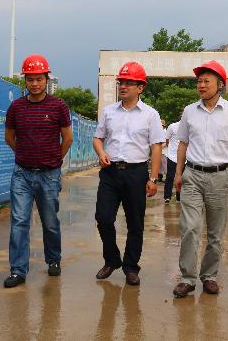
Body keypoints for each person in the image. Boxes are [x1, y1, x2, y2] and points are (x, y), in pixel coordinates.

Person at [172, 60, 228, 298]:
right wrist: (178, 173)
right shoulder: (189, 111)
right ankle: (187, 278)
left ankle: (209, 276)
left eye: (207, 81)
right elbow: (182, 144)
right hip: (192, 175)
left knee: (216, 232)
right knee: (190, 228)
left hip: (219, 176)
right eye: (199, 81)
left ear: (220, 85)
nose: (201, 85)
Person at [3, 54, 73, 288]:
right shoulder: (16, 107)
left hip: (49, 174)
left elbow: (68, 138)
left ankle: (53, 259)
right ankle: (18, 270)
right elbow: (9, 137)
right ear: (25, 80)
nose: (34, 83)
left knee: (50, 221)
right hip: (22, 174)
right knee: (19, 222)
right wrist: (24, 154)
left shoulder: (58, 106)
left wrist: (54, 159)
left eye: (39, 79)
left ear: (46, 80)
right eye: (30, 79)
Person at [92, 61, 164, 286]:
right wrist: (101, 152)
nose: (123, 86)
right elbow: (98, 138)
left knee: (135, 223)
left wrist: (153, 179)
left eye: (129, 83)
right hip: (110, 172)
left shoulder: (150, 115)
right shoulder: (109, 112)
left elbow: (156, 147)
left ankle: (131, 267)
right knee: (103, 218)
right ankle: (112, 259)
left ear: (140, 87)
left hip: (136, 173)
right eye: (121, 82)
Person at [163, 118, 182, 203]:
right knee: (170, 177)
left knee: (182, 178)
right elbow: (167, 139)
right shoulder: (172, 126)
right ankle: (167, 196)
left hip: (184, 158)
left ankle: (179, 197)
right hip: (172, 157)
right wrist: (171, 149)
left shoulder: (189, 127)